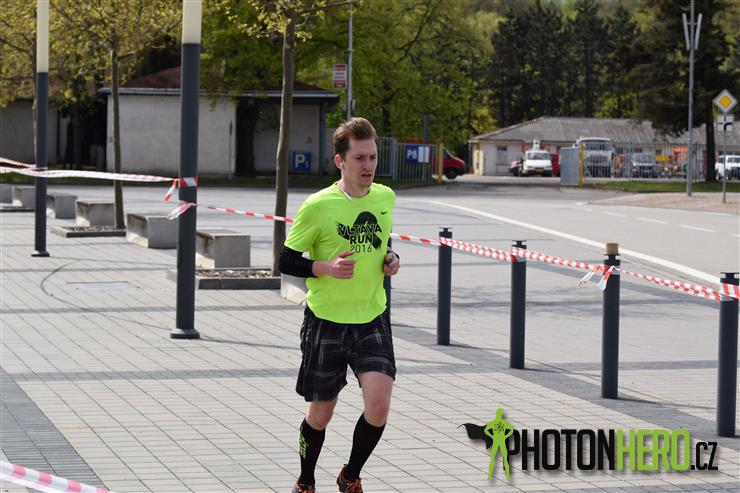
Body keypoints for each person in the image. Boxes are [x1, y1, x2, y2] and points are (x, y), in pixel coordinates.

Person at [279, 117, 400, 493]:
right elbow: (285, 260)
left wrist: (391, 258)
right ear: (340, 161)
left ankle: (350, 475)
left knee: (378, 407)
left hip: (372, 317)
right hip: (326, 321)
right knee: (321, 413)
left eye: (373, 157)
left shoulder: (385, 197)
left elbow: (383, 243)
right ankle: (306, 479)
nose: (368, 166)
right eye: (360, 158)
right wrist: (324, 267)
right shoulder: (318, 206)